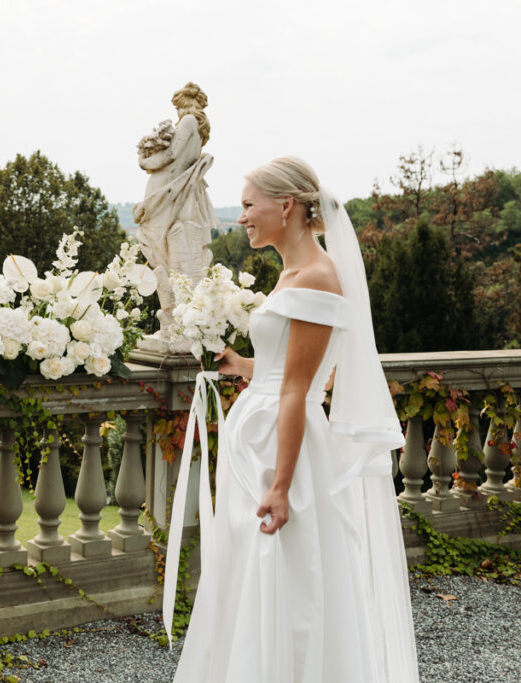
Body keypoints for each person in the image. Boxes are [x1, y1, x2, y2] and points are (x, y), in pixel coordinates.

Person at [169, 157, 418, 682]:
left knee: (282, 575)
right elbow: (295, 368)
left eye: (247, 205)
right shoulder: (293, 273)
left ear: (286, 206)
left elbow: (301, 390)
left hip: (284, 454)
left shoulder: (317, 278)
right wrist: (244, 366)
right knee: (251, 573)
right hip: (262, 438)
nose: (241, 218)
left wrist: (281, 486)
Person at [133, 82, 217, 335]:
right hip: (173, 193)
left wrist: (144, 160)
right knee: (162, 255)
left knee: (164, 251)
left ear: (185, 103)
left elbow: (171, 154)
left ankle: (179, 319)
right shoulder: (195, 126)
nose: (177, 111)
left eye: (178, 105)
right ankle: (173, 317)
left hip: (171, 193)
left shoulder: (189, 121)